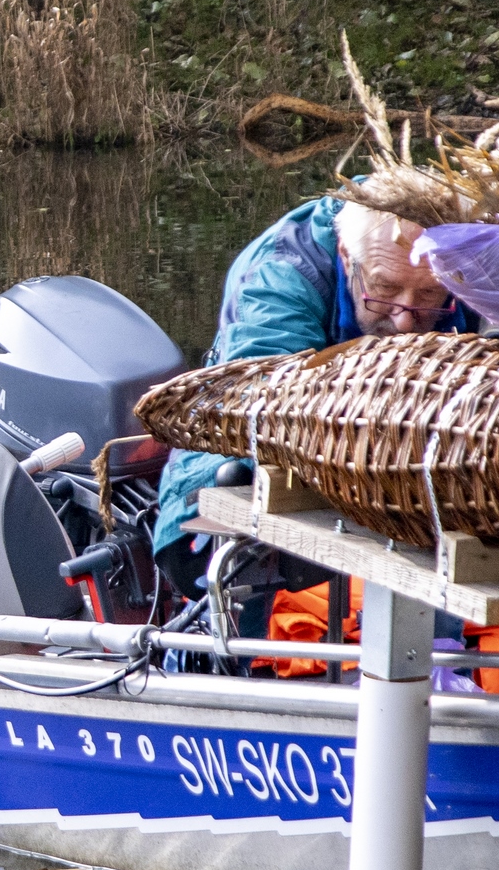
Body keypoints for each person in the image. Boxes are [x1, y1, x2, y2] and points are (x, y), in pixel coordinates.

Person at [149, 197, 473, 597]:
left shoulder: (471, 255)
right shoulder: (282, 274)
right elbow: (267, 401)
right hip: (243, 459)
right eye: (385, 288)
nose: (405, 320)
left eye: (428, 295)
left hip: (400, 477)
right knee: (245, 576)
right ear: (346, 255)